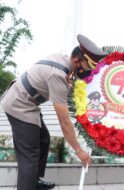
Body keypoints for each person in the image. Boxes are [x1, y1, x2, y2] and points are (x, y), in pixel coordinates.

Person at [0, 34, 108, 190]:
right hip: (19, 105)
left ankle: (34, 181)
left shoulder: (63, 61)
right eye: (87, 67)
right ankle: (27, 185)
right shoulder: (58, 75)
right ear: (77, 61)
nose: (88, 72)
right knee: (29, 156)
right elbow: (64, 122)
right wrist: (79, 151)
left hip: (28, 100)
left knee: (44, 138)